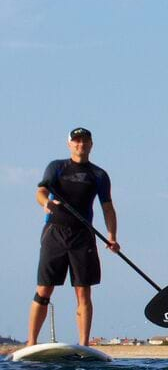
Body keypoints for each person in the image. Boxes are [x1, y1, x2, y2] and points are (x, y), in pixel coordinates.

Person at [29, 127, 117, 346]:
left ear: (91, 145)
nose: (80, 144)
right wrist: (46, 203)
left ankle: (84, 344)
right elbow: (40, 191)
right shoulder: (57, 167)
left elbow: (107, 207)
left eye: (84, 141)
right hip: (55, 232)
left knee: (83, 291)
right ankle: (31, 342)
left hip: (83, 235)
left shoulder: (99, 175)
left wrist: (112, 236)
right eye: (76, 141)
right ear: (69, 144)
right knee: (44, 288)